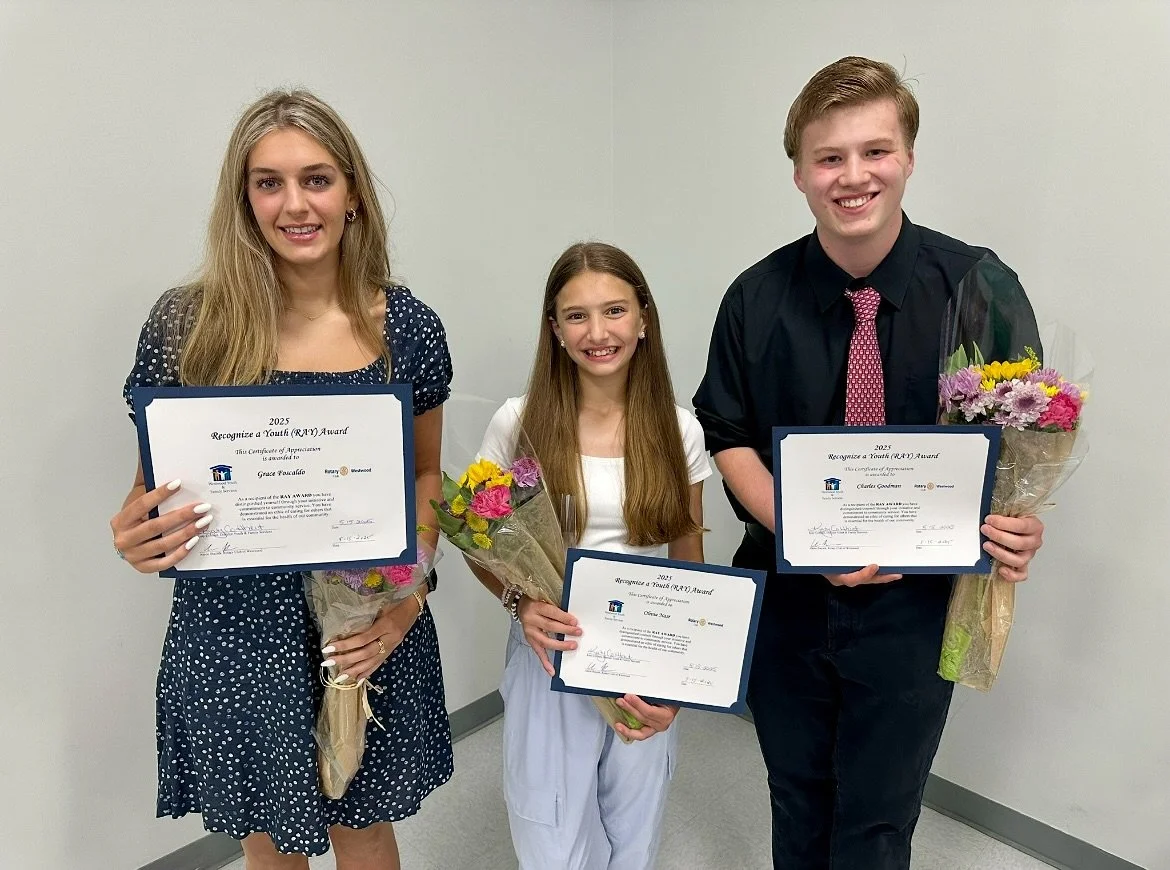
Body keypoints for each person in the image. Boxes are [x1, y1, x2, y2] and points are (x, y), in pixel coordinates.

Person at [693, 57, 1047, 870]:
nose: (853, 176)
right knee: (796, 795)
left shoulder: (978, 287)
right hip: (787, 594)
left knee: (881, 819)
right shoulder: (755, 297)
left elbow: (1023, 443)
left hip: (917, 611)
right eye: (829, 158)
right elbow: (727, 431)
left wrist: (1021, 524)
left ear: (910, 157)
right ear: (799, 173)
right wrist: (804, 532)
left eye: (875, 151)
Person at [109, 90, 453, 869]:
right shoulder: (186, 325)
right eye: (269, 182)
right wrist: (136, 531)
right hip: (234, 631)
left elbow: (427, 471)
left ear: (353, 193)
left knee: (363, 826)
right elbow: (150, 491)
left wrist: (406, 601)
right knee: (267, 837)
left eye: (317, 179)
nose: (295, 203)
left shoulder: (407, 326)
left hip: (365, 620)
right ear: (244, 200)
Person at [472, 242, 710, 870]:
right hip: (550, 653)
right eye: (576, 316)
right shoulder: (518, 423)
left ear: (643, 320)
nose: (597, 333)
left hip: (645, 655)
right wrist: (519, 603)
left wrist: (682, 675)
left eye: (614, 311)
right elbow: (478, 539)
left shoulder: (679, 429)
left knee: (634, 828)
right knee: (550, 833)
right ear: (553, 328)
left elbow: (688, 548)